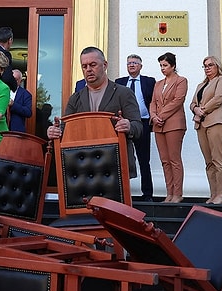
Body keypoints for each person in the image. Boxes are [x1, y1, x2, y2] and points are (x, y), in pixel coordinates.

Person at [47, 47, 142, 178]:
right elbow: (64, 128)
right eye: (84, 66)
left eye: (93, 65)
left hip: (115, 166)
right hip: (83, 166)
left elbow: (138, 126)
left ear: (105, 65)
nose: (88, 70)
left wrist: (129, 126)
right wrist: (54, 131)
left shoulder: (124, 93)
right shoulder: (75, 98)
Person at [190, 56, 222, 205]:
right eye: (205, 66)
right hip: (202, 125)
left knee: (218, 160)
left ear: (217, 66)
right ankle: (214, 194)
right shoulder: (201, 84)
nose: (207, 68)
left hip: (217, 122)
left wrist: (202, 110)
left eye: (210, 65)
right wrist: (195, 109)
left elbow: (219, 98)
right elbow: (192, 103)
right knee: (209, 162)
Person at [116, 54, 156, 202]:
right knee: (120, 159)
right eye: (129, 63)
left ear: (141, 66)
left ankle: (147, 194)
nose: (131, 65)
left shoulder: (149, 82)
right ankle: (122, 193)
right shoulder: (119, 82)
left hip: (143, 124)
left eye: (134, 63)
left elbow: (155, 101)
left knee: (144, 160)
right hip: (123, 125)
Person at [150, 52, 188, 203]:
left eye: (165, 65)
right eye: (160, 65)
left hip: (174, 124)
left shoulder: (181, 81)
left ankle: (177, 193)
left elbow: (178, 101)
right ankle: (169, 193)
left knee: (174, 159)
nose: (162, 68)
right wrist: (154, 116)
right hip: (158, 125)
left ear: (173, 66)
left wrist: (161, 116)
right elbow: (152, 102)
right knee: (165, 160)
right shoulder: (158, 84)